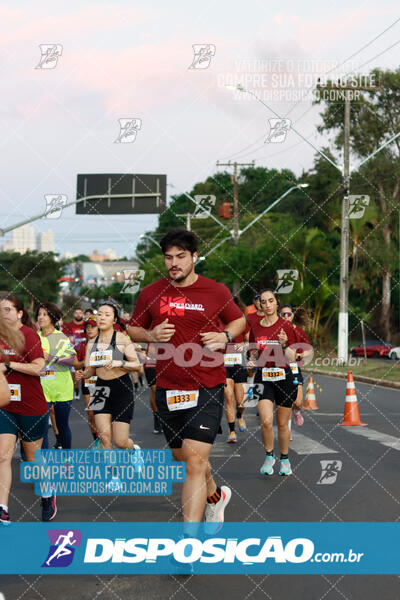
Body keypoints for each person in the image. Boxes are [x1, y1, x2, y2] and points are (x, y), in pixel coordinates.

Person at [128, 228, 246, 525]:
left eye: (181, 256)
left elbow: (239, 319)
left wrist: (224, 336)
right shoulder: (150, 293)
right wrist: (150, 334)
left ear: (194, 257)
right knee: (184, 459)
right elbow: (132, 328)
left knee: (194, 461)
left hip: (207, 383)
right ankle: (215, 496)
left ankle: (188, 543)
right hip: (169, 387)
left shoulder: (215, 291)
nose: (174, 263)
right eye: (168, 257)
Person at [0, 295, 56, 522]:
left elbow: (39, 368)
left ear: (20, 313)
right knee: (3, 455)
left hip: (31, 406)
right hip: (5, 405)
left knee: (32, 459)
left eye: (7, 309)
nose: (3, 314)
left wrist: (8, 365)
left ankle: (47, 493)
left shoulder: (29, 335)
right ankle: (2, 508)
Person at [75, 301, 141, 450]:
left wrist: (119, 363)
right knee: (104, 437)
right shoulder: (91, 343)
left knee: (121, 441)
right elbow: (90, 370)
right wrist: (83, 374)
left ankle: (134, 450)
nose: (102, 318)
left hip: (121, 388)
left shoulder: (122, 339)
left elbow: (137, 365)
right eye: (99, 314)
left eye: (107, 315)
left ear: (115, 320)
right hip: (100, 388)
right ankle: (112, 472)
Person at [248, 289, 297, 476]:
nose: (267, 305)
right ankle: (269, 455)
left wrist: (284, 345)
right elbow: (253, 352)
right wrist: (251, 360)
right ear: (259, 304)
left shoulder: (287, 326)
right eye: (263, 301)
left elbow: (294, 357)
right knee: (266, 421)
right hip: (264, 377)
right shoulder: (255, 327)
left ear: (277, 303)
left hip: (284, 377)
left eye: (271, 301)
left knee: (283, 424)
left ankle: (284, 459)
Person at [36, 302, 76, 450]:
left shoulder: (61, 338)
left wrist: (51, 357)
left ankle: (67, 460)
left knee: (62, 425)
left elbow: (72, 360)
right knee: (42, 428)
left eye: (45, 314)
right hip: (41, 388)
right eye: (39, 314)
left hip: (61, 388)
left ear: (53, 318)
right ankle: (45, 465)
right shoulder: (34, 337)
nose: (41, 317)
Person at [280, 305, 313, 428]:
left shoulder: (299, 331)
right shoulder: (277, 330)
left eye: (289, 314)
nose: (286, 317)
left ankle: (297, 411)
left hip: (293, 366)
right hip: (279, 367)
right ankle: (287, 431)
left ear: (293, 315)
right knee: (285, 401)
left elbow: (309, 350)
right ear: (279, 316)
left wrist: (302, 354)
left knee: (297, 401)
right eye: (283, 314)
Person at [224, 296, 249, 443]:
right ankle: (232, 431)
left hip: (239, 364)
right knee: (228, 397)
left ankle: (240, 416)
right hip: (224, 364)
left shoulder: (242, 323)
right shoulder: (220, 323)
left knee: (241, 402)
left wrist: (244, 346)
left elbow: (249, 340)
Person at [74, 317, 100, 447]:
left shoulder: (103, 343)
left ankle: (105, 439)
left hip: (102, 381)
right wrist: (84, 362)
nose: (89, 329)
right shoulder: (82, 345)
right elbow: (75, 365)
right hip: (87, 381)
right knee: (90, 414)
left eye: (92, 327)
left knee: (100, 414)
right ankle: (96, 440)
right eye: (87, 327)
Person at [63, 307, 86, 400]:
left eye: (80, 313)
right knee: (74, 374)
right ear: (74, 314)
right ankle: (76, 390)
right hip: (74, 354)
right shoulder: (69, 325)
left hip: (85, 354)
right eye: (76, 313)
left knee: (86, 373)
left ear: (83, 315)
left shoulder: (87, 325)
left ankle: (86, 390)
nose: (78, 315)